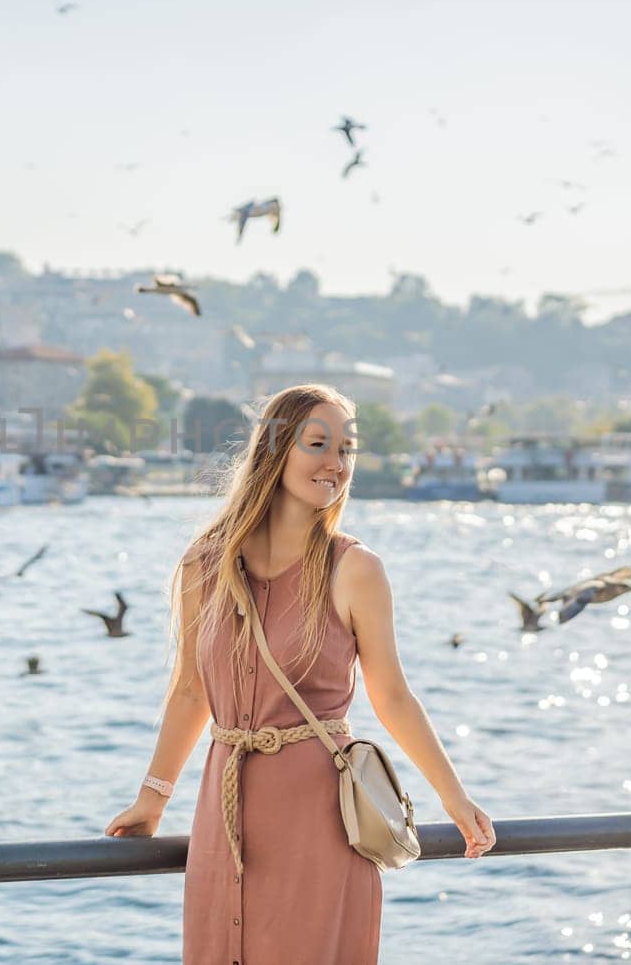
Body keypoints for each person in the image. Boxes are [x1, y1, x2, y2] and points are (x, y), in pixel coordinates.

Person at [104, 383, 496, 964]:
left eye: (346, 449)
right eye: (319, 444)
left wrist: (454, 799)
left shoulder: (355, 569)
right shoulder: (203, 564)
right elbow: (191, 691)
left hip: (320, 823)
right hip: (223, 817)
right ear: (275, 451)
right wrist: (152, 799)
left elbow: (392, 695)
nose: (335, 463)